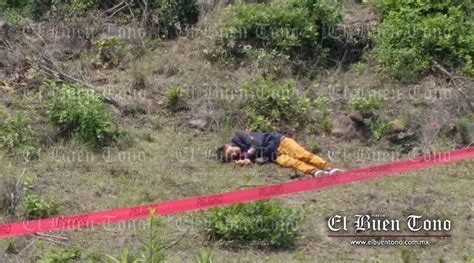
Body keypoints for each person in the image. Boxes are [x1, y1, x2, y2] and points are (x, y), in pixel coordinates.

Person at [216, 130, 342, 177]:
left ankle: (328, 168)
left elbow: (255, 143)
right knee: (292, 163)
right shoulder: (242, 156)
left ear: (228, 145)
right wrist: (249, 163)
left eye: (229, 152)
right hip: (274, 156)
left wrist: (248, 157)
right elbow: (259, 160)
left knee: (303, 155)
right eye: (230, 157)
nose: (233, 155)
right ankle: (315, 172)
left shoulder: (238, 136)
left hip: (279, 142)